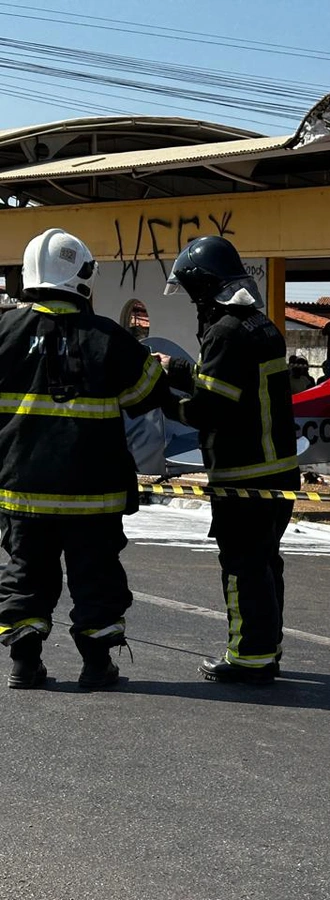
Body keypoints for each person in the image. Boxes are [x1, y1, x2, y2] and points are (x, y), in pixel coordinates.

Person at [0, 229, 171, 690]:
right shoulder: (109, 338)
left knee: (25, 575)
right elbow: (148, 393)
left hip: (22, 491)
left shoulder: (4, 333)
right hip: (93, 496)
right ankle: (97, 665)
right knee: (96, 580)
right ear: (81, 276)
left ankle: (24, 663)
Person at [155, 236, 299, 684]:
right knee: (264, 563)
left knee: (242, 566)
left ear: (203, 287)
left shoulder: (223, 333)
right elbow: (231, 383)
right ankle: (265, 648)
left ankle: (249, 658)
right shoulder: (260, 325)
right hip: (277, 473)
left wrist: (162, 400)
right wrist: (178, 370)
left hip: (244, 476)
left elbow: (210, 410)